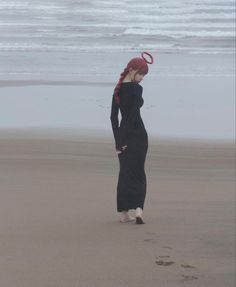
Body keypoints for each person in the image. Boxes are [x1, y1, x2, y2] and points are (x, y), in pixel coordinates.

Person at [110, 52, 154, 224]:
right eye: (141, 74)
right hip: (138, 135)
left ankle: (123, 214)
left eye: (144, 75)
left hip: (123, 135)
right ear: (132, 69)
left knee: (125, 174)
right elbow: (133, 117)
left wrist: (119, 141)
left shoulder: (117, 89)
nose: (142, 78)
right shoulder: (137, 89)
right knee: (139, 173)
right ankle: (138, 210)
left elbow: (114, 118)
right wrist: (125, 139)